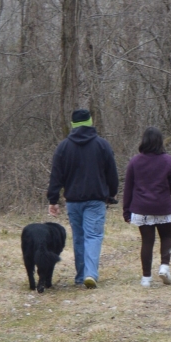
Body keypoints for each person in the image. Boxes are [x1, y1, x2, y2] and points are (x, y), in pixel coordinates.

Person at [47, 109, 118, 289]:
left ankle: (80, 276)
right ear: (90, 122)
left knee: (79, 238)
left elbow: (56, 176)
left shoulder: (63, 147)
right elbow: (112, 173)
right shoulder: (102, 145)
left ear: (73, 125)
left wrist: (53, 200)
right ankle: (90, 274)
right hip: (96, 199)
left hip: (73, 201)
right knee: (93, 236)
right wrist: (112, 193)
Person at [122, 126, 171, 287]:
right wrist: (167, 192)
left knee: (147, 241)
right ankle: (164, 266)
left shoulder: (135, 161)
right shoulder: (168, 160)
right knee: (167, 237)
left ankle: (146, 278)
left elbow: (128, 187)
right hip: (162, 205)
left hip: (141, 208)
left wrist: (126, 210)